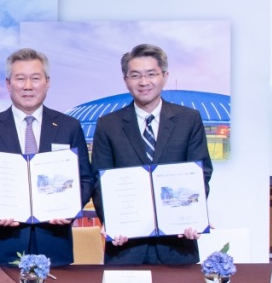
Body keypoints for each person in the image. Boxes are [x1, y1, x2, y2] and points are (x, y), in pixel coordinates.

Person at [0, 48, 94, 268]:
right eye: (20, 79)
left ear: (47, 82)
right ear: (8, 83)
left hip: (55, 244)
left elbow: (86, 179)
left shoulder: (69, 127)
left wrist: (69, 207)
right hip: (5, 244)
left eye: (35, 78)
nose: (28, 86)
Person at [91, 43, 213, 265]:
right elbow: (99, 180)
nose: (144, 82)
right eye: (135, 75)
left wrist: (192, 215)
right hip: (126, 246)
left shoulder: (189, 119)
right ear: (125, 80)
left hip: (177, 244)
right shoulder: (108, 125)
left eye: (151, 74)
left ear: (165, 76)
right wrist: (113, 221)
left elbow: (201, 173)